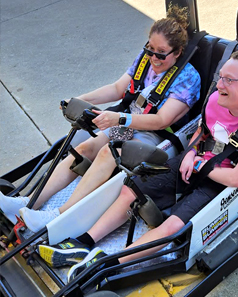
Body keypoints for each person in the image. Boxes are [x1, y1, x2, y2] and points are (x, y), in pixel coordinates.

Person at [37, 50, 238, 282]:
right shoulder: (215, 100)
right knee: (131, 189)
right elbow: (203, 132)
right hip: (197, 163)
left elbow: (237, 178)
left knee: (174, 226)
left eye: (229, 80)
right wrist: (190, 154)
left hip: (222, 180)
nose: (220, 85)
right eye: (221, 77)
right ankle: (84, 242)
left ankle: (106, 264)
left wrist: (199, 163)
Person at [0, 4, 201, 232]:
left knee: (109, 151)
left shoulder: (188, 78)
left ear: (177, 52)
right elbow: (117, 88)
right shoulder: (145, 60)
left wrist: (119, 119)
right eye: (150, 48)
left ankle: (58, 216)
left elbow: (161, 120)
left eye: (161, 52)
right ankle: (27, 203)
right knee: (85, 148)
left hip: (157, 138)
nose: (153, 57)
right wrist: (79, 99)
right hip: (128, 123)